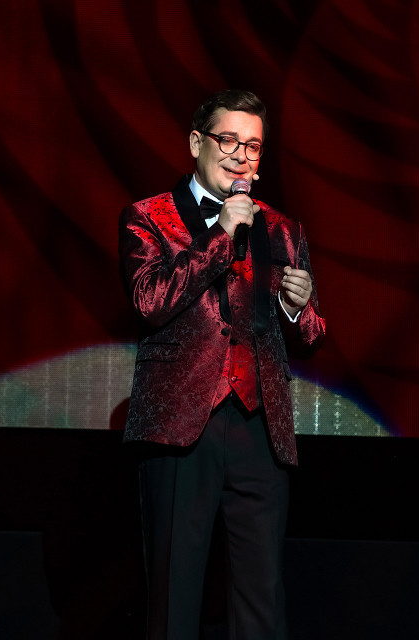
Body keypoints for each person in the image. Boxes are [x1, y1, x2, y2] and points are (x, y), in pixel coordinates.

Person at [119, 89, 326, 640]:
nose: (240, 156)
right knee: (174, 596)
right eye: (228, 140)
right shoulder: (148, 217)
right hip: (181, 426)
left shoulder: (283, 229)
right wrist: (220, 234)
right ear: (197, 143)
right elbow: (150, 302)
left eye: (252, 146)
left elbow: (310, 336)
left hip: (260, 428)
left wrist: (298, 307)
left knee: (261, 599)